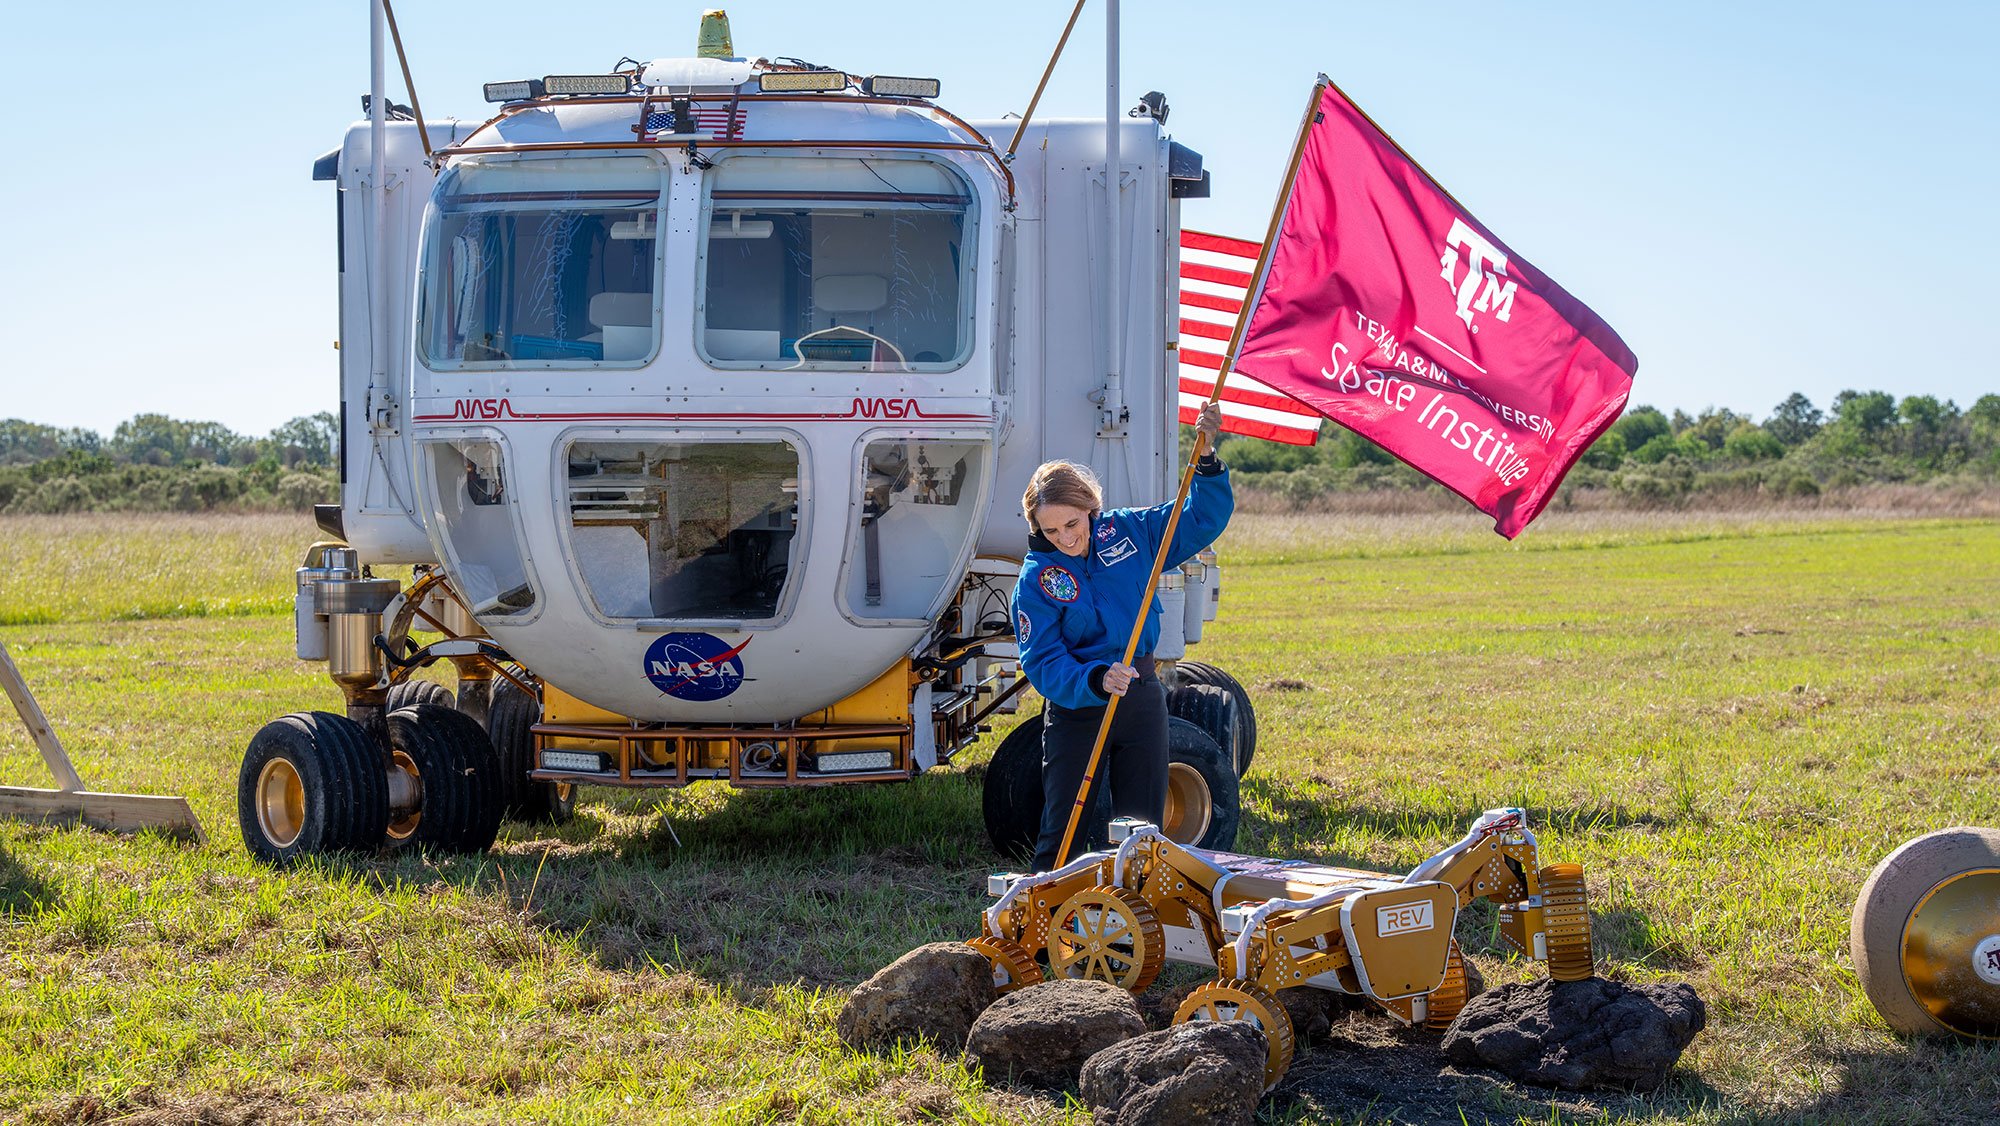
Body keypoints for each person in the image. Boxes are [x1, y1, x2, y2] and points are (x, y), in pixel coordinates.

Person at [1010, 402, 1233, 871]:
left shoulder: (1131, 531)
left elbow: (1200, 519)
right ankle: (1044, 924)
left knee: (1143, 829)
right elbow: (1042, 660)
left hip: (1141, 695)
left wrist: (1207, 459)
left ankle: (1137, 923)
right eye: (1050, 531)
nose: (1065, 538)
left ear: (1091, 508)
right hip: (1078, 709)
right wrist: (1093, 679)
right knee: (1063, 830)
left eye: (1072, 524)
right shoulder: (1035, 580)